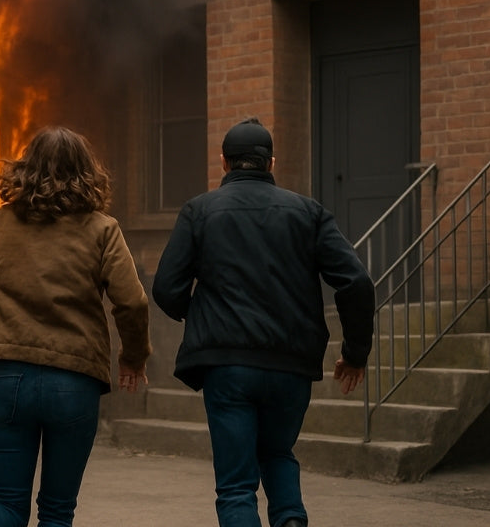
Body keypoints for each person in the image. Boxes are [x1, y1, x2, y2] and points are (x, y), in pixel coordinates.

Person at [151, 117, 374, 527]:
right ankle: (289, 519)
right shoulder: (309, 212)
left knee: (236, 486)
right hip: (290, 364)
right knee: (278, 453)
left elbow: (166, 288)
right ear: (272, 163)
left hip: (228, 367)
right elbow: (356, 281)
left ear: (223, 162)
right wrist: (355, 353)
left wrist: (203, 317)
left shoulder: (198, 212)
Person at [0, 125, 151, 527]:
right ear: (86, 173)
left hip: (4, 377)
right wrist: (133, 358)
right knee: (57, 511)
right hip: (73, 382)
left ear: (25, 168)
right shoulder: (102, 229)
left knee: (6, 502)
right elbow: (132, 301)